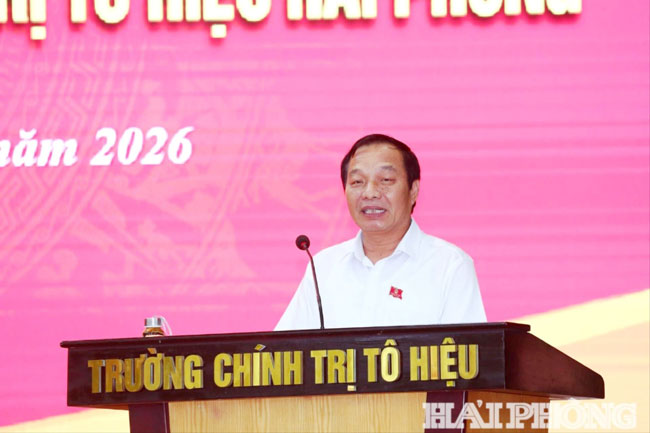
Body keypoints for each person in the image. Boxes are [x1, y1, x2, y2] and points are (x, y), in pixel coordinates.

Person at [275, 134, 486, 330]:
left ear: (413, 190)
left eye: (386, 180)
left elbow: (469, 353)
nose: (370, 193)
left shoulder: (450, 265)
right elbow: (283, 351)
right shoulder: (323, 268)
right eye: (357, 182)